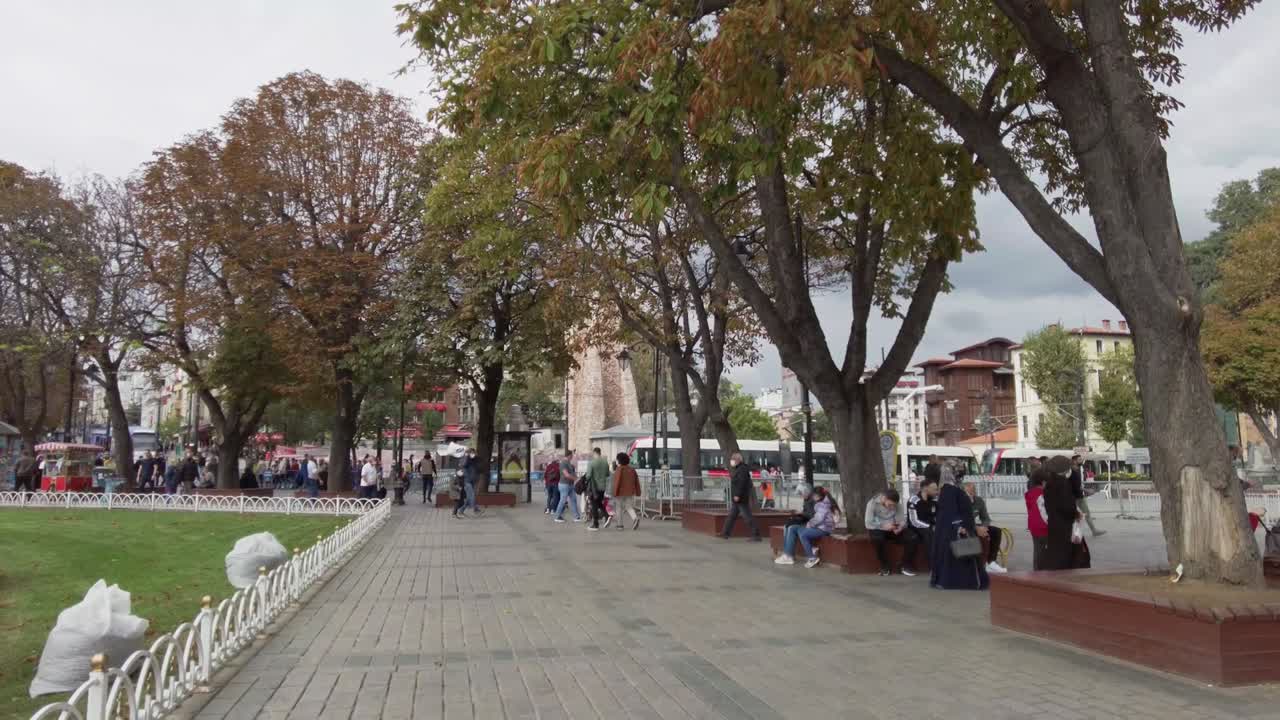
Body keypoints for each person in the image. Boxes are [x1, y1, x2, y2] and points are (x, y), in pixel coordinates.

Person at [929, 474, 989, 590]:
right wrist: (962, 526)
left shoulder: (946, 496)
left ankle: (944, 580)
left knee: (947, 556)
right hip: (959, 533)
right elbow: (964, 514)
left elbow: (947, 517)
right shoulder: (959, 494)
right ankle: (965, 581)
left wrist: (959, 525)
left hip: (948, 534)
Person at [775, 486, 839, 568]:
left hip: (823, 529)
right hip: (818, 527)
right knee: (793, 528)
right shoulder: (819, 503)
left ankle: (812, 557)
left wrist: (809, 524)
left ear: (817, 496)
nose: (812, 497)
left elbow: (818, 519)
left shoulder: (823, 505)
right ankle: (788, 555)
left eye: (813, 495)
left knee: (803, 534)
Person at [1043, 455, 1088, 570]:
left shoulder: (1049, 483)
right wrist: (1076, 513)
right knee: (1065, 554)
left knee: (1055, 552)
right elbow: (1067, 505)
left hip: (1053, 522)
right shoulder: (1063, 483)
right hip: (1065, 525)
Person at [964, 482, 1008, 574]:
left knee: (996, 531)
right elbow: (961, 520)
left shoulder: (979, 501)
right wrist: (976, 528)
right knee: (981, 535)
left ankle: (991, 562)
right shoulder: (960, 502)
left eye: (973, 491)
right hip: (964, 527)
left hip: (976, 525)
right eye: (968, 492)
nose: (971, 494)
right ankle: (980, 564)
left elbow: (985, 518)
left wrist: (984, 527)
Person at [720, 452, 762, 541]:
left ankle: (756, 535)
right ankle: (725, 533)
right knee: (732, 516)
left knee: (747, 517)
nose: (731, 461)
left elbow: (741, 483)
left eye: (733, 459)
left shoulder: (742, 469)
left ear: (738, 460)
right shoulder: (739, 469)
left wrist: (737, 495)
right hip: (738, 498)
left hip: (741, 498)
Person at [866, 489, 908, 576]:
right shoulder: (872, 504)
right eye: (890, 505)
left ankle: (903, 565)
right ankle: (884, 566)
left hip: (893, 529)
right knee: (877, 539)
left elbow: (902, 520)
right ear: (884, 498)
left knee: (911, 537)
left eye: (894, 505)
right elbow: (868, 523)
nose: (892, 507)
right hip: (878, 528)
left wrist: (900, 527)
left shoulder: (898, 505)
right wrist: (883, 526)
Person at [905, 479, 938, 576]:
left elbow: (938, 516)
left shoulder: (935, 500)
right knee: (929, 534)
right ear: (925, 489)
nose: (936, 492)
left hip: (930, 527)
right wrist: (930, 526)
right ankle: (933, 568)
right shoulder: (914, 500)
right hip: (915, 528)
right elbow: (914, 521)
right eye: (934, 489)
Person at [1070, 454, 1105, 537]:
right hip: (1073, 497)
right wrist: (1087, 490)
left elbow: (1078, 485)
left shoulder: (1078, 470)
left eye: (1081, 459)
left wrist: (1085, 491)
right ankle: (1071, 533)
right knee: (1074, 515)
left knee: (1087, 513)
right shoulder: (1071, 472)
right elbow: (1075, 486)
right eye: (1079, 459)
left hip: (1079, 496)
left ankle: (1094, 530)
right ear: (1074, 461)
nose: (1081, 461)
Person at [1025, 470, 1050, 570]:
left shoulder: (1029, 494)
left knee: (1037, 550)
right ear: (1043, 482)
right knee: (1048, 550)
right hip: (1044, 525)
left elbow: (1030, 509)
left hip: (1033, 526)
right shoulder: (1045, 493)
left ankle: (1036, 570)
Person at [611, 452, 642, 530]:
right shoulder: (632, 470)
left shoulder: (619, 469)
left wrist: (614, 492)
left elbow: (617, 481)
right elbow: (636, 481)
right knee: (629, 507)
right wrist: (638, 491)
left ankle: (620, 525)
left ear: (619, 460)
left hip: (620, 492)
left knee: (619, 508)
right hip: (630, 492)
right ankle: (635, 518)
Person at [584, 448, 612, 530]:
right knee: (599, 502)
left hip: (594, 487)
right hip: (603, 487)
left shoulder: (591, 463)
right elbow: (607, 474)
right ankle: (607, 515)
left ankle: (595, 524)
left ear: (594, 453)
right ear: (600, 452)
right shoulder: (605, 462)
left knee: (594, 505)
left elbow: (588, 476)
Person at [553, 449, 581, 523]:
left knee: (573, 500)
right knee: (563, 500)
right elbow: (566, 475)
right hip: (564, 484)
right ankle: (557, 516)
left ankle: (576, 517)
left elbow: (571, 473)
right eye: (572, 455)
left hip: (570, 484)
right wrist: (576, 479)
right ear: (569, 455)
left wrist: (577, 478)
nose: (572, 457)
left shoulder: (569, 463)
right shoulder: (563, 463)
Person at [462, 448, 484, 515]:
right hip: (467, 481)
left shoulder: (477, 460)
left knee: (470, 497)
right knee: (472, 495)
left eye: (473, 453)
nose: (472, 454)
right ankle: (476, 509)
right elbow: (464, 469)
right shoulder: (466, 460)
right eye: (471, 453)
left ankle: (461, 510)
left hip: (475, 480)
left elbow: (480, 470)